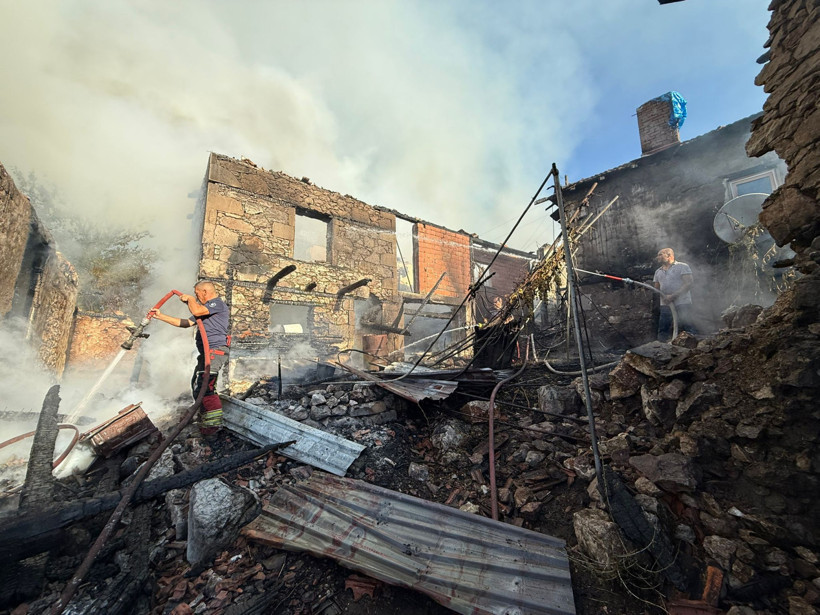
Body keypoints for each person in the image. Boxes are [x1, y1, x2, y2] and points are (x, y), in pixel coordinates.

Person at [150, 281, 230, 435]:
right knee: (197, 385)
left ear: (205, 291)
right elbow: (186, 323)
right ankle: (205, 421)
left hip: (215, 351)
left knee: (206, 387)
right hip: (206, 353)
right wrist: (160, 316)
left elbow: (197, 311)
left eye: (197, 293)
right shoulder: (204, 310)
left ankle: (213, 428)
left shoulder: (216, 304)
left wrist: (190, 300)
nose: (196, 297)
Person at [653, 248, 695, 342]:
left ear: (669, 256)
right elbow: (656, 288)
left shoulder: (682, 266)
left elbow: (689, 283)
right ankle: (661, 346)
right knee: (663, 326)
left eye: (660, 254)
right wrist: (664, 297)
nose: (657, 257)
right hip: (666, 303)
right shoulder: (658, 271)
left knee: (687, 324)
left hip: (682, 302)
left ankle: (692, 346)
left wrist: (673, 296)